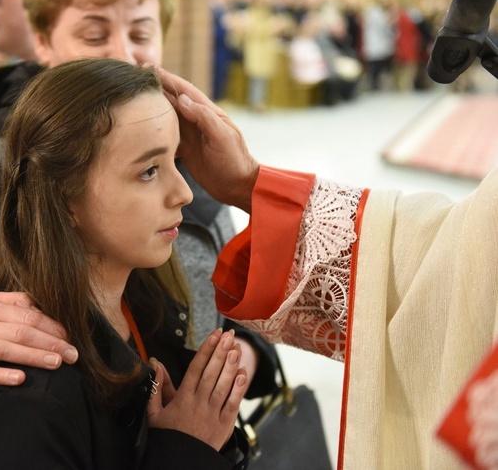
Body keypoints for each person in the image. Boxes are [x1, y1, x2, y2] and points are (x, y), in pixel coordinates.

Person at [0, 0, 277, 420]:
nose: (124, 54)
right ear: (44, 40)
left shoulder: (186, 148)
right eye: (94, 33)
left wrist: (240, 357)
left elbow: (230, 291)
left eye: (141, 32)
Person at [152, 53, 498, 468]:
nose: (184, 194)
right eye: (148, 170)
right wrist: (251, 185)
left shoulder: (197, 217)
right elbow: (460, 259)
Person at [0, 57, 248, 469]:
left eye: (176, 161)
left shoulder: (146, 309)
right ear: (66, 199)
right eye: (148, 171)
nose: (184, 194)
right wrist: (186, 450)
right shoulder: (31, 394)